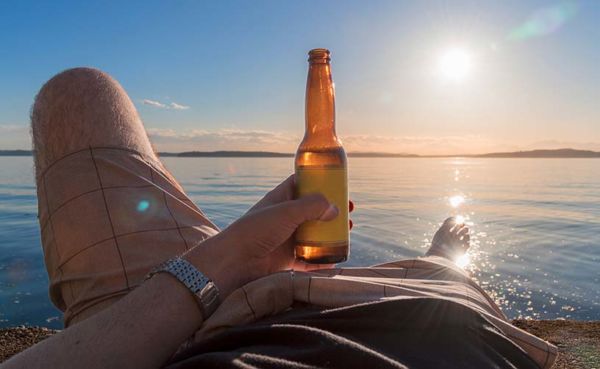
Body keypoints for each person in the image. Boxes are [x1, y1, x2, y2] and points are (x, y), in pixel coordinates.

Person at [1, 68, 556, 369]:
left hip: (177, 329)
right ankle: (439, 259)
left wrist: (224, 261)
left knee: (76, 94)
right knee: (448, 275)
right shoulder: (322, 145)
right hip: (439, 321)